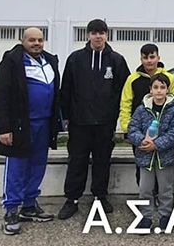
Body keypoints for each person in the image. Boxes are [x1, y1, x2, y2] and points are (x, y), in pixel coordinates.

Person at [58, 19, 130, 220]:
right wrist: (66, 116)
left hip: (105, 123)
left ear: (107, 35)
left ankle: (100, 196)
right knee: (77, 161)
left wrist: (117, 115)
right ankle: (72, 199)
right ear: (88, 35)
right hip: (79, 122)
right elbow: (66, 88)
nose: (98, 36)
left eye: (102, 32)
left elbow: (124, 90)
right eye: (94, 32)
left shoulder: (117, 60)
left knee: (102, 161)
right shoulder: (75, 59)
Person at [0, 27, 61, 235]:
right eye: (32, 40)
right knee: (17, 167)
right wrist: (4, 128)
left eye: (40, 40)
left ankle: (29, 205)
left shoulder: (50, 60)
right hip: (21, 126)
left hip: (44, 124)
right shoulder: (12, 62)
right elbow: (0, 96)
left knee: (38, 164)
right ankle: (11, 209)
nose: (36, 43)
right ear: (23, 41)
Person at [127, 73, 174, 231]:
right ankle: (146, 217)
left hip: (166, 157)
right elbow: (133, 129)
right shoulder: (141, 109)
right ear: (150, 90)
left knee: (165, 189)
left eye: (162, 87)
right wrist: (141, 141)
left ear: (167, 90)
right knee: (145, 189)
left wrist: (156, 144)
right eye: (156, 87)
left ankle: (165, 216)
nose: (159, 91)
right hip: (145, 157)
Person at [119, 43, 174, 185]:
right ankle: (144, 195)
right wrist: (127, 128)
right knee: (142, 167)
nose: (149, 61)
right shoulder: (132, 79)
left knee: (163, 166)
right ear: (141, 59)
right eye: (145, 58)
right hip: (140, 133)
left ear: (158, 57)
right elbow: (125, 103)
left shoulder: (169, 78)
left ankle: (160, 194)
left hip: (164, 131)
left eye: (152, 57)